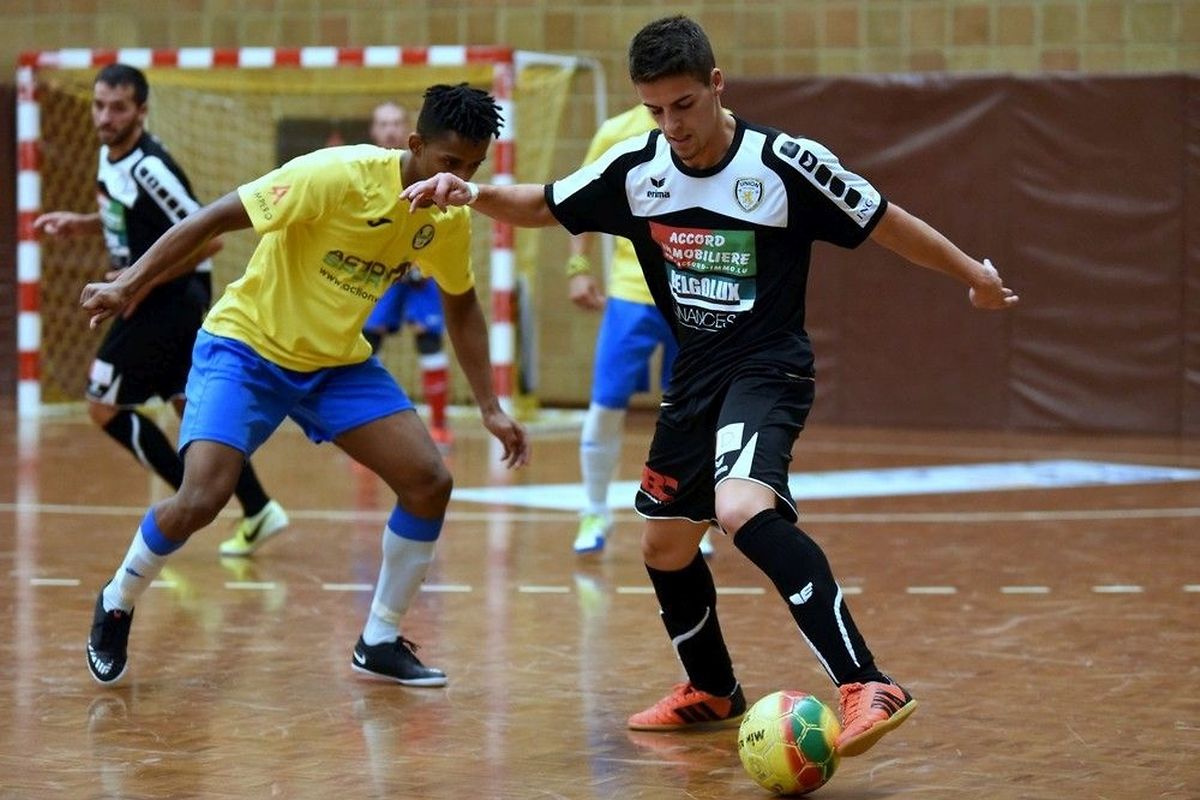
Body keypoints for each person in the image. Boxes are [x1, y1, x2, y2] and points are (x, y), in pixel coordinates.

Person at [402, 16, 1019, 756]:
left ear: (717, 84)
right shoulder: (637, 170)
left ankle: (867, 682)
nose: (672, 127)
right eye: (655, 111)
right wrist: (470, 196)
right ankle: (714, 688)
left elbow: (886, 221)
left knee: (738, 505)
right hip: (694, 378)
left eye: (684, 106)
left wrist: (973, 276)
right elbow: (544, 203)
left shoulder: (786, 164)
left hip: (768, 367)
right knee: (664, 546)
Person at [82, 83, 530, 688]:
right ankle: (118, 597)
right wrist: (128, 284)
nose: (458, 180)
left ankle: (377, 639)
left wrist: (490, 405)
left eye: (473, 169)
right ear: (416, 144)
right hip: (247, 348)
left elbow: (462, 303)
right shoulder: (335, 176)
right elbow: (214, 217)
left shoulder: (445, 217)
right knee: (202, 499)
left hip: (336, 364)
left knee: (429, 482)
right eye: (450, 164)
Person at [33, 63, 288, 558]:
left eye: (118, 108)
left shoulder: (150, 166)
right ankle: (257, 508)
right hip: (151, 298)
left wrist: (136, 284)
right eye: (99, 105)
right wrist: (84, 225)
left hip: (167, 302)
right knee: (187, 406)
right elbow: (135, 220)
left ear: (142, 111)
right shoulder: (112, 156)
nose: (105, 117)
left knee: (102, 405)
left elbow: (206, 238)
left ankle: (191, 501)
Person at [566, 103, 712, 559]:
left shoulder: (715, 128)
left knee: (692, 411)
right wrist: (578, 265)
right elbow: (579, 198)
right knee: (606, 404)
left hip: (694, 293)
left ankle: (692, 515)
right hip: (630, 294)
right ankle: (594, 510)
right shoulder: (617, 132)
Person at [361, 101, 454, 449]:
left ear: (408, 131)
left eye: (396, 122)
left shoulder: (424, 167)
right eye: (382, 123)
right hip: (378, 272)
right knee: (370, 343)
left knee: (428, 338)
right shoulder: (361, 166)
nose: (389, 129)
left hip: (419, 271)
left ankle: (441, 426)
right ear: (373, 130)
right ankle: (368, 430)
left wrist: (418, 262)